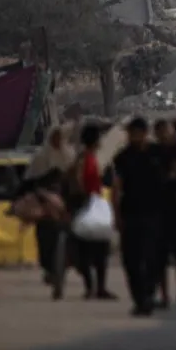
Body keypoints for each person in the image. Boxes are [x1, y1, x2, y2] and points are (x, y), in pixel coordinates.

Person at [112, 116, 167, 316]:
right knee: (131, 260)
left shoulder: (158, 154)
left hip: (154, 214)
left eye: (135, 133)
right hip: (131, 215)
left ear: (144, 133)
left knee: (153, 258)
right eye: (130, 133)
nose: (133, 137)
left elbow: (169, 180)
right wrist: (116, 215)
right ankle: (139, 299)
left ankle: (148, 296)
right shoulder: (123, 157)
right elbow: (117, 189)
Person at [25, 127, 75, 293]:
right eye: (54, 137)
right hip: (44, 205)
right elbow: (31, 181)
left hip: (64, 205)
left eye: (59, 137)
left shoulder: (68, 155)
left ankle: (61, 271)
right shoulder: (41, 157)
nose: (57, 140)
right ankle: (49, 269)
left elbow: (73, 180)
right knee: (45, 241)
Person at [71, 123, 116, 301]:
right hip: (88, 204)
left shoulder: (86, 157)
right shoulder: (85, 159)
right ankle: (95, 288)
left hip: (91, 203)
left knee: (96, 248)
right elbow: (80, 181)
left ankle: (96, 288)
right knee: (92, 248)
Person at [152, 120, 176, 310]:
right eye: (160, 133)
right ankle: (165, 296)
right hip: (160, 208)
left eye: (166, 132)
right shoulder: (154, 153)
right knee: (161, 256)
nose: (164, 136)